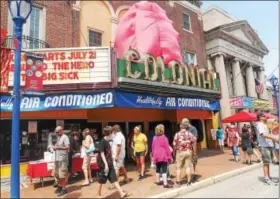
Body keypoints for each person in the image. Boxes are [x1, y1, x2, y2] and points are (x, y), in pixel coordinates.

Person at [96, 126, 131, 198]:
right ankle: (98, 194)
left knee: (114, 179)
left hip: (109, 163)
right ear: (110, 133)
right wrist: (105, 164)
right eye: (112, 132)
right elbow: (102, 154)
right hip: (104, 164)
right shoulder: (102, 142)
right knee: (101, 179)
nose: (113, 134)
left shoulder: (109, 141)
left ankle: (121, 193)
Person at [256, 112, 279, 185]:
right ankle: (266, 178)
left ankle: (269, 177)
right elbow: (264, 135)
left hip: (268, 145)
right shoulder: (259, 125)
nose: (265, 117)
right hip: (264, 145)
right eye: (263, 116)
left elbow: (271, 131)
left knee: (268, 162)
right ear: (260, 117)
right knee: (266, 163)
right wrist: (275, 138)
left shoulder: (264, 125)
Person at [173, 122, 197, 187]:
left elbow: (174, 144)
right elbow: (194, 140)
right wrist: (193, 150)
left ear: (180, 127)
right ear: (186, 127)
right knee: (188, 167)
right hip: (188, 151)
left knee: (178, 168)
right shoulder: (189, 134)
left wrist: (174, 152)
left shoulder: (177, 134)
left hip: (180, 152)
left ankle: (178, 182)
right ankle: (188, 182)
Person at [152, 124, 173, 188]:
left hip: (156, 154)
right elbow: (167, 148)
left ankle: (158, 181)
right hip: (163, 154)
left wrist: (153, 156)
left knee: (158, 168)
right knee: (164, 169)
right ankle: (165, 184)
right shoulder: (164, 138)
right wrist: (170, 157)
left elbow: (152, 147)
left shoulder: (154, 138)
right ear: (162, 130)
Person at [52, 126, 70, 196]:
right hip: (57, 159)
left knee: (62, 175)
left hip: (62, 159)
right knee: (57, 174)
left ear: (61, 130)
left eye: (57, 132)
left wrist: (58, 147)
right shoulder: (59, 137)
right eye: (55, 132)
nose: (56, 133)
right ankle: (60, 186)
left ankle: (64, 189)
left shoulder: (65, 137)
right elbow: (57, 147)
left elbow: (68, 147)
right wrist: (54, 148)